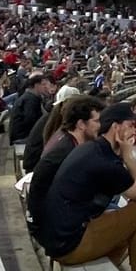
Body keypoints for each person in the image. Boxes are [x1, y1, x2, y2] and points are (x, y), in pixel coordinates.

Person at [42, 102, 136, 271]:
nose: (135, 131)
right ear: (116, 127)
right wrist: (128, 157)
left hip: (59, 240)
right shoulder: (106, 162)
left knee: (125, 220)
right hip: (71, 246)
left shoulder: (91, 149)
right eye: (130, 126)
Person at [23, 95, 101, 234]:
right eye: (96, 121)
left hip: (55, 221)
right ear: (81, 124)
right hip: (58, 229)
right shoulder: (67, 151)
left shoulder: (67, 140)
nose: (100, 126)